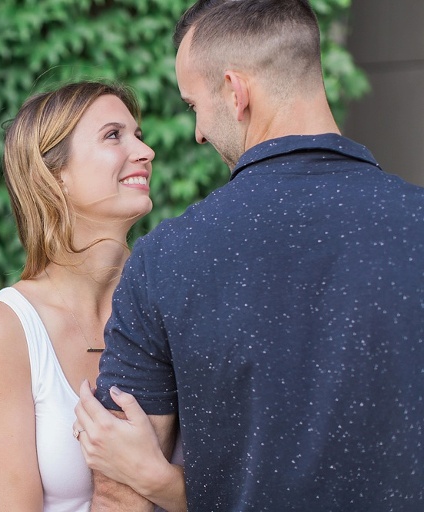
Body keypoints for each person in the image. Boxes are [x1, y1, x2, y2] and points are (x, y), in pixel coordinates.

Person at [74, 0, 424, 510]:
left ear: (235, 93)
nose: (197, 132)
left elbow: (120, 495)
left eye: (195, 105)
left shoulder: (164, 259)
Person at [0, 80, 156, 511]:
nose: (146, 152)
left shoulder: (171, 299)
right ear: (55, 175)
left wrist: (155, 480)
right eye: (113, 135)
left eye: (138, 135)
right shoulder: (5, 332)